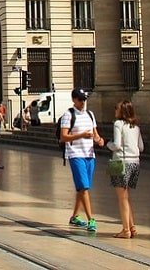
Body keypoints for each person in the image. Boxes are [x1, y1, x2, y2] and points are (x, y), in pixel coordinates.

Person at [60, 88, 105, 233]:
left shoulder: (90, 114)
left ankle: (74, 216)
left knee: (83, 187)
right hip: (75, 154)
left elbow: (96, 134)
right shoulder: (68, 115)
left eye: (84, 99)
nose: (83, 102)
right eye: (80, 99)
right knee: (84, 187)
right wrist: (81, 135)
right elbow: (63, 137)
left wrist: (99, 140)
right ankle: (91, 218)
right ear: (74, 100)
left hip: (89, 154)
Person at [109, 100, 144, 238]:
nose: (115, 110)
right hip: (135, 162)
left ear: (122, 111)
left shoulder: (118, 124)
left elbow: (117, 145)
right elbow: (141, 147)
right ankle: (132, 226)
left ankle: (125, 230)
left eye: (116, 108)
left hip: (119, 161)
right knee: (127, 197)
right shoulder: (136, 127)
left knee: (121, 198)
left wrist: (107, 144)